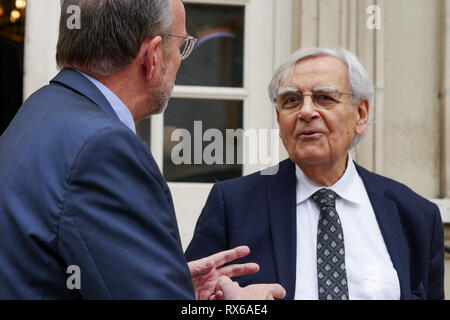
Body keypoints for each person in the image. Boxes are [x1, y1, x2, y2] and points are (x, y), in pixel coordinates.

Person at [0, 0, 285, 300]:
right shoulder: (105, 147)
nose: (180, 60)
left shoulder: (42, 107)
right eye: (182, 46)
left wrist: (169, 281)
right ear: (152, 55)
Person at [185, 47, 445, 300]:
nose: (306, 112)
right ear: (279, 118)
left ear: (361, 113)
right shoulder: (233, 205)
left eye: (324, 97)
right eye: (292, 100)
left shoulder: (415, 215)